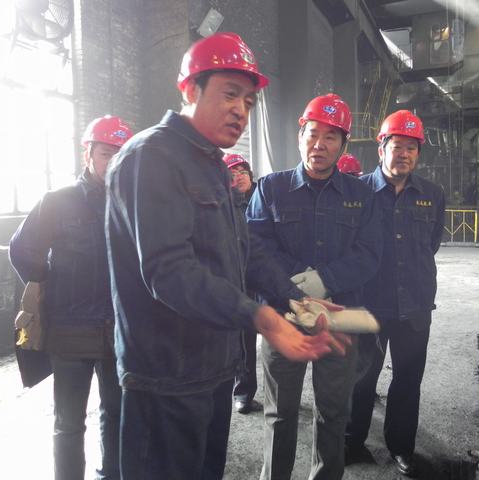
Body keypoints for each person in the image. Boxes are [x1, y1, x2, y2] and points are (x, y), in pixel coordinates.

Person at [104, 33, 342, 480]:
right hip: (165, 378)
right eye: (230, 94)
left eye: (249, 102)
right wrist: (261, 317)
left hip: (212, 366)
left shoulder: (211, 162)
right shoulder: (150, 157)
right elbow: (169, 272)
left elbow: (243, 250)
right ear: (190, 89)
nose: (241, 110)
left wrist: (293, 299)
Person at [247, 93, 382, 480]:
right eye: (312, 134)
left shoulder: (361, 196)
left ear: (343, 144)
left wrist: (325, 280)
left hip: (339, 320)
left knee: (333, 414)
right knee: (279, 414)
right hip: (283, 316)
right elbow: (255, 249)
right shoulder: (270, 189)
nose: (318, 144)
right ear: (300, 136)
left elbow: (369, 254)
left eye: (330, 137)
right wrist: (298, 285)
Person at [9, 115, 133, 480]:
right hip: (71, 330)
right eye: (107, 153)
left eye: (122, 155)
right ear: (87, 154)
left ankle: (111, 474)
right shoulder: (58, 202)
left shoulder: (131, 205)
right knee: (68, 422)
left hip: (118, 332)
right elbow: (22, 249)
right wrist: (49, 282)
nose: (114, 162)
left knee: (117, 413)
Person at [345, 110, 445, 477]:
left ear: (418, 154)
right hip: (368, 304)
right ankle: (351, 442)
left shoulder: (432, 195)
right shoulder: (358, 193)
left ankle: (401, 447)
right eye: (397, 145)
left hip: (414, 304)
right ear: (381, 149)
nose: (403, 154)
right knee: (360, 378)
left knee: (407, 379)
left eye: (411, 148)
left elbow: (431, 244)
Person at [223, 153, 263, 414]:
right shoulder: (221, 204)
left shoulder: (264, 198)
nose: (238, 177)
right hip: (239, 282)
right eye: (232, 174)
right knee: (244, 341)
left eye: (242, 172)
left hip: (265, 280)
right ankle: (243, 393)